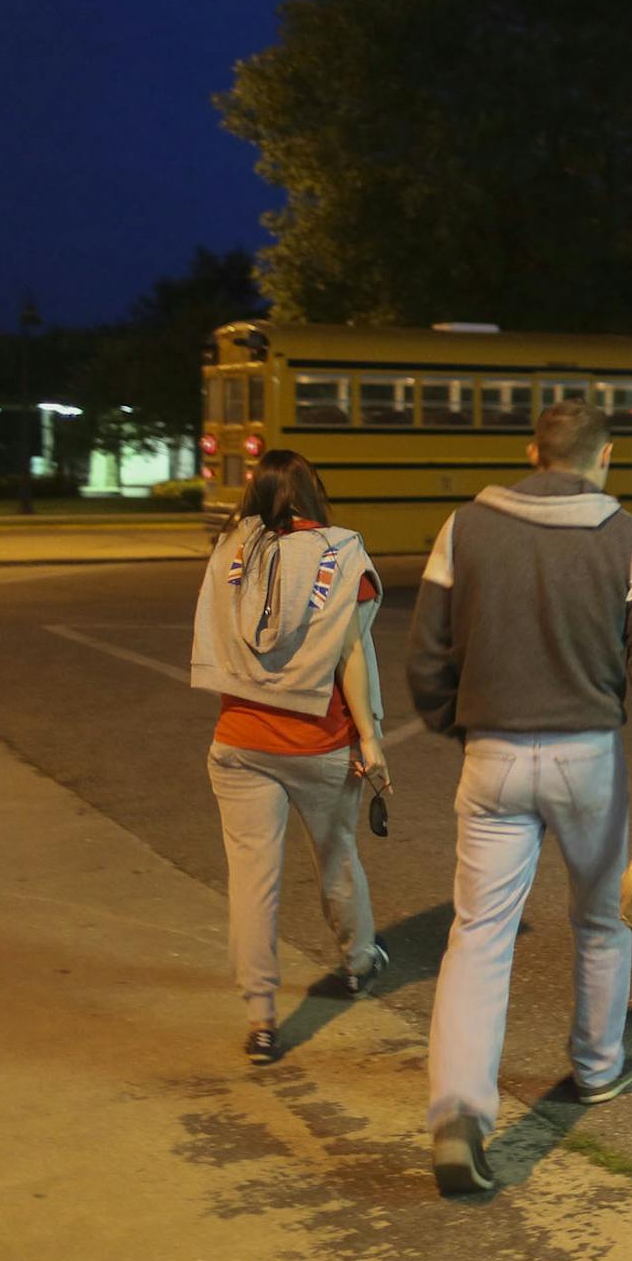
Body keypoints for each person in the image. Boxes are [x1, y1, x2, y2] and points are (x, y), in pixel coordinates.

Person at [408, 399, 632, 1195]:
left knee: (478, 933)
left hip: (491, 753)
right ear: (605, 458)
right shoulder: (630, 536)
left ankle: (461, 1112)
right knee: (601, 919)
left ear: (533, 452)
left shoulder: (463, 527)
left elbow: (426, 653)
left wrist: (456, 722)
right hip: (587, 759)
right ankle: (598, 1066)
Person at [189, 449, 390, 1067]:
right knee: (335, 856)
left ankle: (261, 1020)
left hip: (239, 742)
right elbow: (351, 655)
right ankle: (358, 961)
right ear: (311, 493)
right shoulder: (341, 551)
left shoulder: (230, 551)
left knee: (252, 882)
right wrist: (372, 739)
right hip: (319, 742)